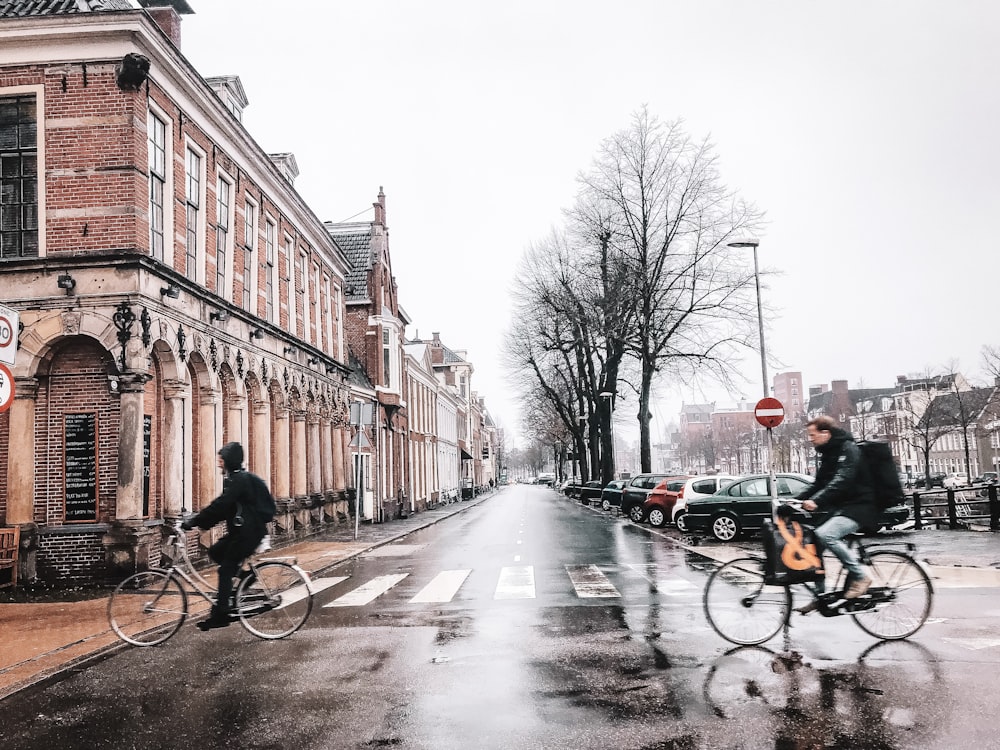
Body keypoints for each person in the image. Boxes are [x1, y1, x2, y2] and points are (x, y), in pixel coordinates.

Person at [181, 442, 274, 630]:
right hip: (243, 532)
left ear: (229, 461)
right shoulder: (235, 479)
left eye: (221, 460)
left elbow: (221, 505)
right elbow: (225, 510)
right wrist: (202, 523)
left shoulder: (239, 480)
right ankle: (246, 577)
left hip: (248, 534)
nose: (218, 464)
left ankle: (221, 614)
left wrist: (194, 521)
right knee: (216, 551)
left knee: (225, 571)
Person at [794, 415, 878, 614]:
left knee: (826, 534)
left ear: (826, 433)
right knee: (814, 543)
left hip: (861, 505)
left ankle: (860, 576)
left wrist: (816, 501)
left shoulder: (848, 449)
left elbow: (842, 480)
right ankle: (820, 596)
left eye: (813, 435)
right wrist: (794, 501)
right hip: (844, 506)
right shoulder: (829, 452)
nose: (810, 439)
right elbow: (819, 483)